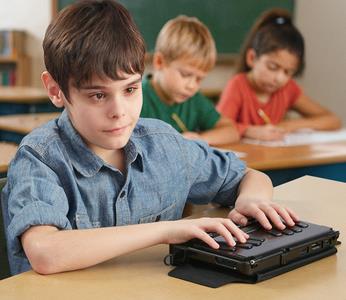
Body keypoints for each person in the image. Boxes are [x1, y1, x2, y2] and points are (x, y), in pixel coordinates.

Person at [1, 0, 298, 276]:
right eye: (98, 95)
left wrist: (251, 199)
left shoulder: (163, 144)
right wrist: (167, 231)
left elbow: (248, 176)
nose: (119, 112)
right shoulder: (40, 158)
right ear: (55, 90)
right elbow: (44, 252)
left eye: (130, 89)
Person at [217, 9, 341, 141]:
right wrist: (249, 130)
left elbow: (333, 120)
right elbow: (218, 127)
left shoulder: (287, 88)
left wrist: (288, 126)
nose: (279, 78)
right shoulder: (237, 86)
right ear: (252, 58)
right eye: (272, 67)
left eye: (288, 72)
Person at [140, 15, 240, 146]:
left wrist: (200, 138)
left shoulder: (193, 100)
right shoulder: (137, 97)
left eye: (199, 79)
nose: (192, 86)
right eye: (185, 74)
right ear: (159, 62)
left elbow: (231, 132)